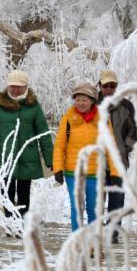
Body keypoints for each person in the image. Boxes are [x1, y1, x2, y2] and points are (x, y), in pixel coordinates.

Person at [0, 70, 53, 220]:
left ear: (26, 87)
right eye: (12, 86)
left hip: (26, 155)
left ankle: (22, 223)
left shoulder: (33, 106)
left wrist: (50, 158)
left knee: (24, 193)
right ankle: (10, 222)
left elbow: (43, 132)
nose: (15, 89)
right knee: (6, 192)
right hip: (3, 155)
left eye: (19, 86)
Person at [52, 82, 120, 232]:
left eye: (85, 100)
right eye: (77, 99)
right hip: (73, 173)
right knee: (77, 208)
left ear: (92, 101)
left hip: (95, 174)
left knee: (94, 210)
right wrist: (57, 168)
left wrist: (115, 172)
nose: (80, 103)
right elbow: (59, 146)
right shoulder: (68, 119)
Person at [98, 69, 137, 240]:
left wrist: (125, 148)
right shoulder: (91, 104)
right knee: (97, 197)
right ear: (99, 86)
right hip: (97, 159)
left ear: (116, 86)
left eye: (112, 85)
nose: (108, 88)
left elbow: (134, 131)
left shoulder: (126, 106)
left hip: (118, 159)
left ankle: (112, 233)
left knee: (117, 197)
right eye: (105, 85)